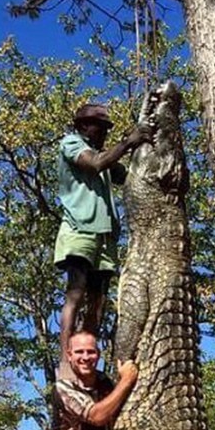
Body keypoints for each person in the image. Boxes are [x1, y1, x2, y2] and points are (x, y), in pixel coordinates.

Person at [54, 102, 152, 361]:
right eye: (100, 127)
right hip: (80, 228)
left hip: (105, 234)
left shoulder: (104, 154)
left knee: (98, 299)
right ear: (84, 126)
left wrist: (143, 148)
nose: (104, 133)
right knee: (76, 290)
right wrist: (128, 142)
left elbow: (127, 175)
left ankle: (87, 355)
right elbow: (95, 163)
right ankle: (67, 358)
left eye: (107, 129)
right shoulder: (72, 144)